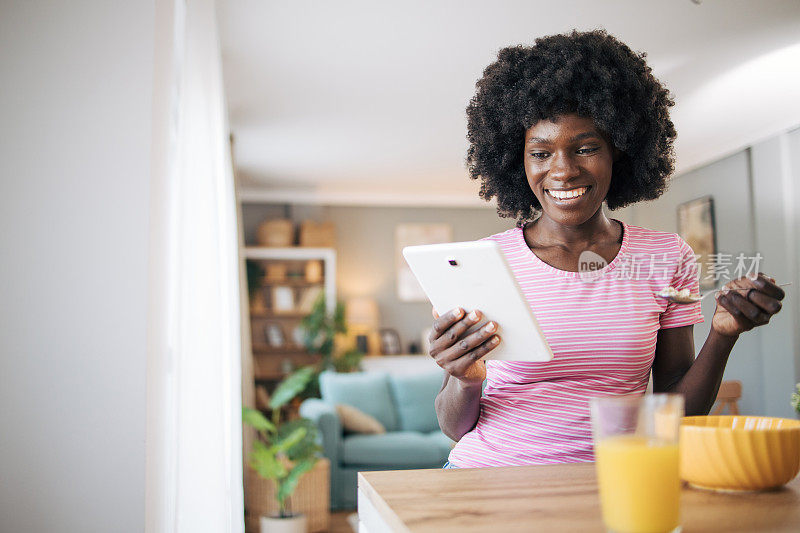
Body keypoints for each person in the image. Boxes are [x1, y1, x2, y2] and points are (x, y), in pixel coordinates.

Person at [431, 30, 786, 468]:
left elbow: (677, 408)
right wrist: (463, 379)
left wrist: (723, 336)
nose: (562, 170)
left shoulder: (666, 256)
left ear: (620, 150)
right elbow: (454, 427)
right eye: (540, 153)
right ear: (515, 161)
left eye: (585, 148)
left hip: (619, 480)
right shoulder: (486, 263)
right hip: (491, 478)